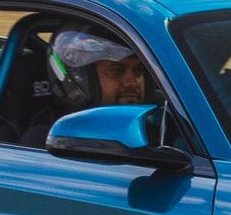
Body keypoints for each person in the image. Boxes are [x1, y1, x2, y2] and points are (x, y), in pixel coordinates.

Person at [17, 28, 157, 147]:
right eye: (116, 70)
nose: (131, 82)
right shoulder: (47, 141)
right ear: (79, 78)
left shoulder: (161, 126)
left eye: (138, 70)